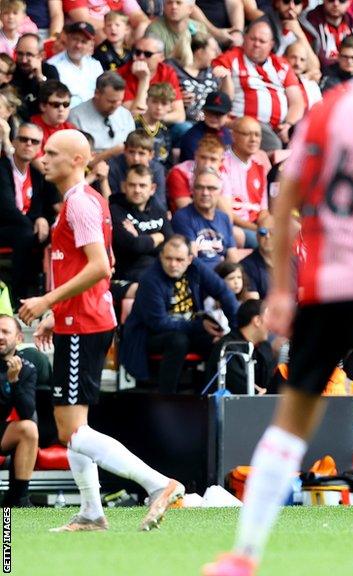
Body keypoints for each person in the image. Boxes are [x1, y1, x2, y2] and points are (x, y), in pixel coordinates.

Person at [203, 5, 353, 574]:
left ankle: (242, 555)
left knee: (291, 419)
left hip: (323, 283)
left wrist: (284, 288)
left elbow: (284, 201)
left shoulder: (324, 109)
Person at [18, 129, 183, 533]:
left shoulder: (80, 203)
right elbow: (101, 258)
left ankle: (158, 484)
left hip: (85, 322)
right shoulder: (86, 201)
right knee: (76, 426)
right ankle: (92, 512)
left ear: (78, 160)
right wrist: (60, 311)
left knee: (70, 431)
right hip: (82, 317)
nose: (44, 158)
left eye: (54, 153)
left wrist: (48, 301)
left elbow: (100, 267)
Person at [121, 235, 238, 393]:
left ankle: (207, 395)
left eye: (179, 259)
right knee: (178, 341)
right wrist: (199, 325)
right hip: (148, 335)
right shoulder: (150, 279)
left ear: (190, 259)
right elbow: (159, 324)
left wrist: (236, 330)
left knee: (220, 341)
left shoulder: (195, 267)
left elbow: (223, 292)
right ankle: (167, 397)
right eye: (168, 258)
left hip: (187, 327)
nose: (173, 264)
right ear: (161, 256)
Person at [212, 20, 304, 151]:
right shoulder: (230, 59)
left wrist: (288, 125)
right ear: (244, 38)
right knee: (274, 145)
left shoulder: (281, 65)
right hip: (243, 124)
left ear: (271, 44)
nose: (256, 44)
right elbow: (212, 82)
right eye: (252, 39)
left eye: (262, 41)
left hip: (279, 128)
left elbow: (297, 102)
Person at [0, 122, 56, 304]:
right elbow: (6, 208)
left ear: (40, 147)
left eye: (34, 141)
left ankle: (50, 294)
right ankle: (18, 297)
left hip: (24, 227)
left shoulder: (37, 172)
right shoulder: (2, 168)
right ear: (14, 142)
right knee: (25, 234)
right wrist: (33, 223)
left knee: (55, 233)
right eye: (23, 139)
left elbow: (40, 205)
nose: (28, 144)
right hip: (5, 226)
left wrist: (41, 218)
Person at [110, 165, 173, 302]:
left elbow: (170, 245)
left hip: (157, 274)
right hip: (125, 278)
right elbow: (133, 245)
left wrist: (140, 238)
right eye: (132, 185)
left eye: (142, 185)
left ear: (152, 189)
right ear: (124, 186)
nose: (137, 190)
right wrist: (157, 237)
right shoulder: (115, 210)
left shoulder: (159, 211)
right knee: (149, 292)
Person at [0, 313, 38, 507]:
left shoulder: (27, 368)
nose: (0, 336)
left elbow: (26, 413)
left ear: (19, 338)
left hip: (1, 430)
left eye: (5, 332)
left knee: (28, 429)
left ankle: (18, 499)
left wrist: (14, 382)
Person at [172, 168, 239, 267]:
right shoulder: (182, 217)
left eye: (211, 188)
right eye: (199, 187)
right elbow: (192, 261)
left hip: (221, 276)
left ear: (219, 192)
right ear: (192, 190)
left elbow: (233, 258)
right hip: (199, 277)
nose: (205, 193)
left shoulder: (224, 218)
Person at [206, 299, 275, 395]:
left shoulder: (265, 347)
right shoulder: (227, 348)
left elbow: (271, 382)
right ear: (257, 321)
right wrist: (261, 393)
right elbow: (239, 386)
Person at [221, 116, 271, 248]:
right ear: (233, 136)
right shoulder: (222, 163)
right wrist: (258, 230)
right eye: (247, 134)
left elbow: (263, 211)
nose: (253, 139)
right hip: (234, 227)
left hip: (255, 226)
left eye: (257, 135)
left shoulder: (260, 167)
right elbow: (226, 213)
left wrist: (266, 227)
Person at [117, 36, 187, 124]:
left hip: (162, 123)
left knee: (184, 127)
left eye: (147, 54)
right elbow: (134, 115)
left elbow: (180, 116)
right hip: (134, 128)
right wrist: (144, 80)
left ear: (161, 57)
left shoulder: (167, 72)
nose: (141, 57)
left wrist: (156, 118)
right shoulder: (122, 74)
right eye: (138, 52)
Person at [67, 71, 134, 160]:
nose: (116, 106)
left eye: (120, 101)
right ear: (97, 94)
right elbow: (77, 158)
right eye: (111, 101)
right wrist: (111, 153)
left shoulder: (125, 114)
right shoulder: (76, 116)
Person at [47, 22, 103, 107]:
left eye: (83, 42)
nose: (78, 45)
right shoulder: (52, 66)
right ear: (68, 39)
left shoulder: (95, 65)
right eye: (75, 39)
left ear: (91, 45)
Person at [106, 130, 168, 205]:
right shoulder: (113, 166)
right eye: (131, 152)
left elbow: (160, 202)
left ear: (151, 155)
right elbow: (111, 201)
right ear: (125, 151)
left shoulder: (157, 169)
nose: (136, 158)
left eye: (141, 153)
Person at [178, 90, 233, 163]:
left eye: (218, 114)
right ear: (204, 111)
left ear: (228, 115)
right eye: (210, 113)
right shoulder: (193, 137)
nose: (213, 118)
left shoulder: (228, 133)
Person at [239, 225, 272, 298]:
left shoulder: (293, 260)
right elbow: (254, 304)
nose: (267, 236)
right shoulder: (245, 266)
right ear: (257, 237)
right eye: (263, 233)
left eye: (273, 232)